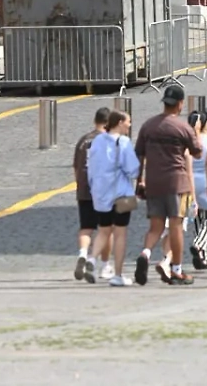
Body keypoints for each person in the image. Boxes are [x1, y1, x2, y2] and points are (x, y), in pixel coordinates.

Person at [133, 84, 203, 286]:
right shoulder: (183, 128)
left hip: (154, 182)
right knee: (176, 226)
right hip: (176, 183)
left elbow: (140, 156)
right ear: (180, 104)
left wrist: (139, 181)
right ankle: (177, 270)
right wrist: (196, 131)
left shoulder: (148, 126)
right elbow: (197, 152)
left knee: (155, 227)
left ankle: (145, 254)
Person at [86, 109, 139, 286]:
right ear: (119, 123)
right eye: (128, 122)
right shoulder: (123, 143)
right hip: (120, 193)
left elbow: (91, 167)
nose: (129, 125)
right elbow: (133, 169)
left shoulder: (97, 141)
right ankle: (118, 274)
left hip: (101, 193)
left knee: (104, 229)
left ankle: (91, 259)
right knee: (120, 233)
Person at [72, 107, 112, 282]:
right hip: (103, 190)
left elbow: (76, 167)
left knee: (86, 228)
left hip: (84, 190)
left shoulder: (83, 141)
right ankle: (104, 265)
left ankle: (82, 254)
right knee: (106, 229)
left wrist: (80, 185)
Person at [187, 109, 207, 271]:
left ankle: (203, 256)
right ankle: (199, 245)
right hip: (206, 180)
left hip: (190, 182)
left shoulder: (186, 141)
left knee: (198, 219)